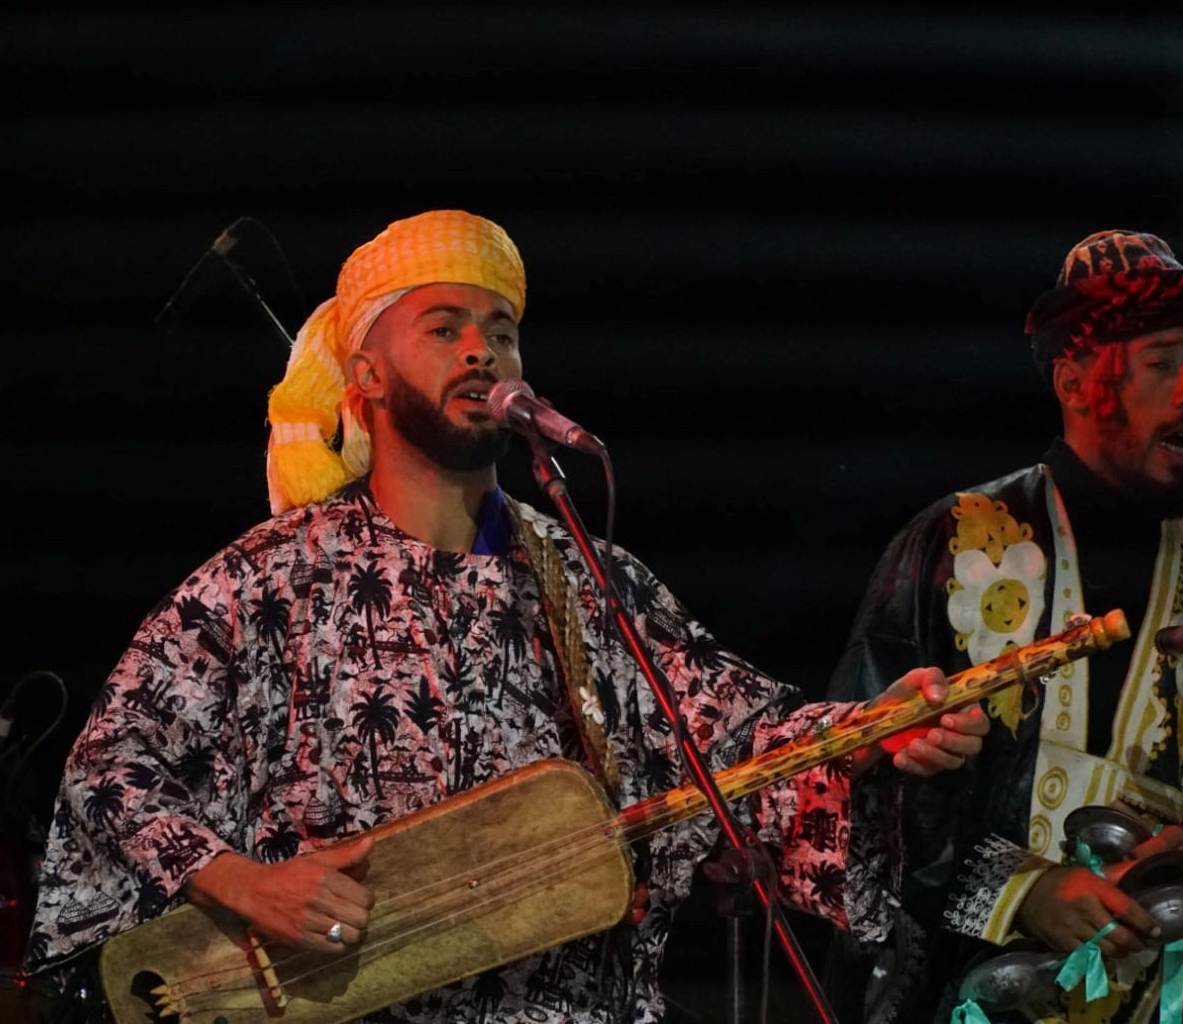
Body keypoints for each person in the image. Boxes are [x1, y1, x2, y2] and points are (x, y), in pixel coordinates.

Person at [24, 210, 987, 1023]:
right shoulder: (270, 579)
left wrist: (873, 734)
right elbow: (112, 770)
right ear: (364, 375)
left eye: (501, 327)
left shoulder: (588, 576)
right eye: (442, 327)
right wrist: (244, 881)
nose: (482, 347)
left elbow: (736, 742)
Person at [826, 230, 1183, 1023]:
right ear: (1074, 379)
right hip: (968, 987)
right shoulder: (954, 544)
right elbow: (850, 777)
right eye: (1162, 361)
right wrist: (1019, 892)